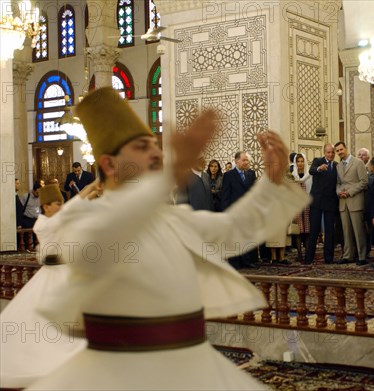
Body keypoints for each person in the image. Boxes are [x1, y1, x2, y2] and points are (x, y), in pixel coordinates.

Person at [25, 87, 308, 391]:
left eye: (155, 145)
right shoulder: (80, 219)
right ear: (109, 164)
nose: (156, 153)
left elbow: (234, 229)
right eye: (142, 146)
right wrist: (170, 173)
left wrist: (272, 182)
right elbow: (101, 238)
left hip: (193, 368)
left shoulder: (170, 218)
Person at [1, 183, 101, 389]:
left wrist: (94, 187)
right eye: (57, 203)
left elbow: (74, 206)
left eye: (60, 203)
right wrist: (91, 190)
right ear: (46, 207)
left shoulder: (57, 219)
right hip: (52, 276)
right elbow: (75, 205)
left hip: (64, 274)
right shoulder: (43, 224)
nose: (61, 207)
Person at [222, 151, 259, 269]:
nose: (246, 162)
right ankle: (234, 263)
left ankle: (247, 261)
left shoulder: (251, 174)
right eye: (244, 160)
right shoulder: (228, 175)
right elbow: (225, 196)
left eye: (247, 160)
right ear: (236, 161)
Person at [334, 141, 369, 266]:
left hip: (355, 200)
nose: (339, 152)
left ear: (346, 148)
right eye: (337, 151)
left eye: (341, 149)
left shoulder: (358, 163)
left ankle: (362, 256)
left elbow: (364, 182)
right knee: (346, 230)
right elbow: (338, 183)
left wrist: (349, 192)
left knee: (358, 230)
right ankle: (348, 255)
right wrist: (339, 192)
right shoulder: (338, 166)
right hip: (343, 202)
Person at [305, 144, 338, 265]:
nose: (330, 155)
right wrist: (319, 168)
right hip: (317, 202)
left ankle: (329, 259)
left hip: (330, 202)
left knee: (330, 231)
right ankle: (309, 258)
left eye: (332, 153)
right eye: (328, 152)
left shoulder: (336, 165)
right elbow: (311, 171)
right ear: (324, 152)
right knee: (314, 231)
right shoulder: (317, 161)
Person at [291, 153, 312, 262]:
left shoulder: (309, 174)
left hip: (307, 205)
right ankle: (299, 254)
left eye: (302, 161)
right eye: (298, 161)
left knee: (307, 230)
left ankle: (307, 254)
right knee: (298, 230)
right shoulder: (292, 175)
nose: (300, 163)